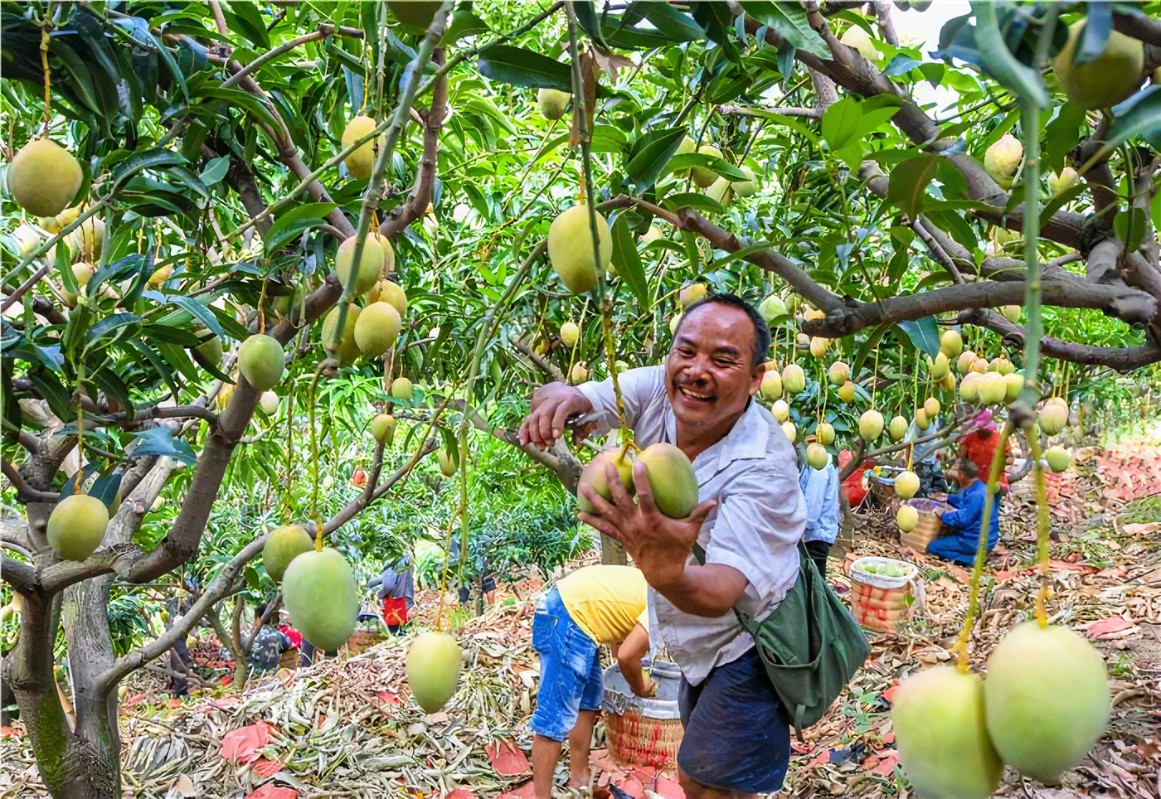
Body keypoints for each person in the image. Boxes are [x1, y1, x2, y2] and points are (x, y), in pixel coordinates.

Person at [519, 293, 806, 799]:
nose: (696, 371)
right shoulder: (661, 388)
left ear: (756, 378)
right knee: (712, 775)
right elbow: (587, 397)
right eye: (686, 352)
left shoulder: (765, 466)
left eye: (723, 360)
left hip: (751, 642)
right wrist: (561, 398)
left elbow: (722, 591)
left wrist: (664, 570)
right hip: (693, 641)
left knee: (703, 778)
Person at [529, 564, 652, 799]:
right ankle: (540, 796)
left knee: (588, 699)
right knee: (554, 716)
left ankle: (579, 780)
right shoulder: (666, 606)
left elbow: (620, 644)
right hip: (567, 615)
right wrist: (642, 687)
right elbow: (626, 656)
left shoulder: (658, 590)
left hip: (580, 616)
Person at [927, 455, 1001, 567]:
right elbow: (962, 500)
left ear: (961, 475)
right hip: (984, 537)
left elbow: (962, 519)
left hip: (975, 540)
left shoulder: (977, 495)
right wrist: (947, 497)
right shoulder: (978, 486)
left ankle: (970, 559)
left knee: (933, 547)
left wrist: (943, 514)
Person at [798, 443, 840, 578]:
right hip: (813, 535)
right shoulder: (817, 459)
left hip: (814, 537)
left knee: (813, 584)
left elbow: (811, 512)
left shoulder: (818, 463)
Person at [958, 410, 1010, 493]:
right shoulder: (970, 438)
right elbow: (961, 457)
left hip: (996, 483)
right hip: (975, 483)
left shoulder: (1000, 440)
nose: (979, 431)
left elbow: (1010, 459)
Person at [368, 555, 415, 635]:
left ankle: (395, 631)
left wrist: (379, 595)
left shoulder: (392, 562)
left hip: (396, 599)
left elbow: (388, 585)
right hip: (402, 598)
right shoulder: (406, 560)